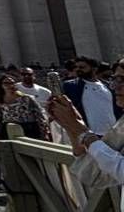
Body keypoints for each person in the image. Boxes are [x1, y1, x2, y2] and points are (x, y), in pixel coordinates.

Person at [49, 59, 124, 194]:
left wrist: (81, 131)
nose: (116, 87)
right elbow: (94, 174)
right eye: (115, 79)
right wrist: (71, 126)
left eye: (123, 80)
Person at [61, 56, 121, 134]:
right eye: (76, 67)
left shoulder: (107, 86)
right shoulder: (71, 86)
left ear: (94, 69)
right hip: (90, 135)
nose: (78, 69)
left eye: (82, 67)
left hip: (113, 133)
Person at [0, 74, 50, 140]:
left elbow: (39, 116)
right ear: (1, 85)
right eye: (6, 83)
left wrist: (44, 133)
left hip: (28, 128)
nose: (9, 85)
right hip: (8, 129)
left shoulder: (26, 98)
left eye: (12, 83)